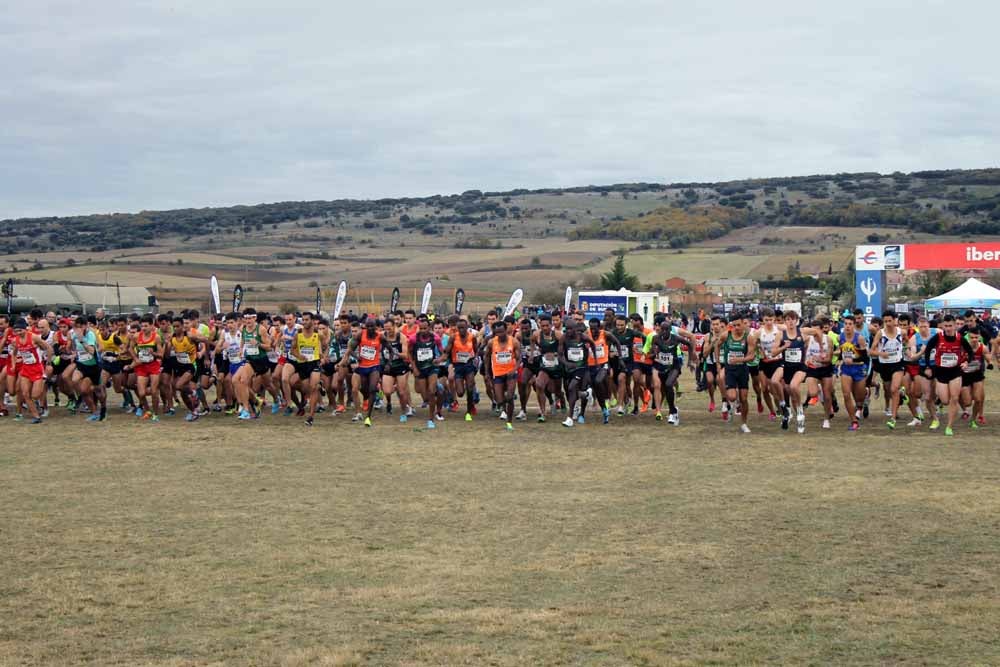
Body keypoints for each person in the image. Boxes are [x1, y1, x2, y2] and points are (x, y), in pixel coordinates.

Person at [922, 314, 974, 436]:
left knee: (954, 398)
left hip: (955, 371)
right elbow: (928, 349)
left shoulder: (960, 338)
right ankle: (943, 406)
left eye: (950, 326)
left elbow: (969, 352)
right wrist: (929, 366)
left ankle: (949, 426)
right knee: (945, 401)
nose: (948, 328)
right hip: (941, 371)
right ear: (943, 326)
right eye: (946, 326)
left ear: (955, 326)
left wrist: (967, 362)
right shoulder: (938, 337)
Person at [714, 314, 757, 433]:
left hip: (742, 370)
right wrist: (718, 362)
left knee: (744, 398)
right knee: (732, 396)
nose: (737, 328)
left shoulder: (748, 337)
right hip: (730, 370)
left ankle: (744, 423)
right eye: (734, 325)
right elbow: (717, 346)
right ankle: (731, 405)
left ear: (743, 324)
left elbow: (751, 356)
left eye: (739, 325)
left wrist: (740, 360)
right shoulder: (726, 335)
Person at [483, 320, 521, 432]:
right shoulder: (491, 343)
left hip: (510, 373)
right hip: (498, 373)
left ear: (506, 330)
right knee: (499, 400)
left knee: (509, 397)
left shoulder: (514, 342)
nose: (499, 334)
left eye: (501, 332)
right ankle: (505, 404)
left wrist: (514, 369)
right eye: (497, 332)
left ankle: (509, 421)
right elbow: (486, 358)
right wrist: (487, 373)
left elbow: (519, 359)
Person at [838, 316, 869, 431]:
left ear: (854, 326)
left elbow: (865, 357)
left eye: (850, 324)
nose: (847, 326)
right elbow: (842, 352)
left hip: (859, 369)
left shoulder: (859, 338)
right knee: (846, 394)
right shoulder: (840, 337)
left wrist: (854, 360)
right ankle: (854, 421)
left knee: (859, 398)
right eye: (845, 324)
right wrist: (839, 359)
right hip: (846, 370)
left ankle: (864, 397)